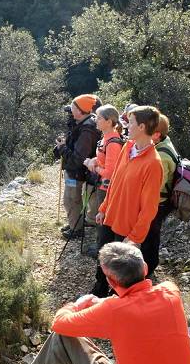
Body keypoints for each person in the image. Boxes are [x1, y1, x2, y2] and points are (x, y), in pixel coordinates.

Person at [27, 242, 190, 364]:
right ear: (145, 268)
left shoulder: (113, 311)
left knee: (63, 336)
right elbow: (136, 301)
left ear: (111, 282)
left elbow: (59, 323)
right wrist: (104, 303)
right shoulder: (170, 291)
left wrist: (76, 305)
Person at [91, 105, 164, 297]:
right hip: (110, 218)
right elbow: (114, 181)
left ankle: (117, 302)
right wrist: (103, 208)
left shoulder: (153, 163)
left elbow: (149, 208)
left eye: (130, 122)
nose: (126, 126)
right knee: (103, 257)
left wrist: (134, 238)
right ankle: (99, 289)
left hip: (126, 228)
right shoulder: (127, 147)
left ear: (142, 127)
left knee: (120, 271)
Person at [54, 94, 101, 239]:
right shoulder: (83, 124)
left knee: (71, 199)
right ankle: (75, 223)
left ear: (81, 111)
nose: (71, 110)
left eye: (73, 108)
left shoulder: (87, 130)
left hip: (77, 172)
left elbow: (77, 159)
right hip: (78, 172)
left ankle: (76, 229)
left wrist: (62, 148)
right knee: (72, 199)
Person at [83, 105, 125, 257]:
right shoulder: (106, 138)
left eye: (99, 118)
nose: (96, 120)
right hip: (103, 186)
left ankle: (104, 252)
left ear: (109, 121)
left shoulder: (113, 143)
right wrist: (95, 160)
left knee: (104, 219)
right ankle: (102, 248)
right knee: (102, 218)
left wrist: (93, 166)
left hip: (106, 188)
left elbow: (110, 172)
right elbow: (104, 158)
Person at [140, 113, 178, 276]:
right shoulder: (165, 142)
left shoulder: (161, 156)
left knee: (150, 236)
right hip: (161, 201)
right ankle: (148, 265)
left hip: (158, 202)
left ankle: (148, 268)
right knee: (151, 235)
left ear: (156, 134)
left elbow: (155, 187)